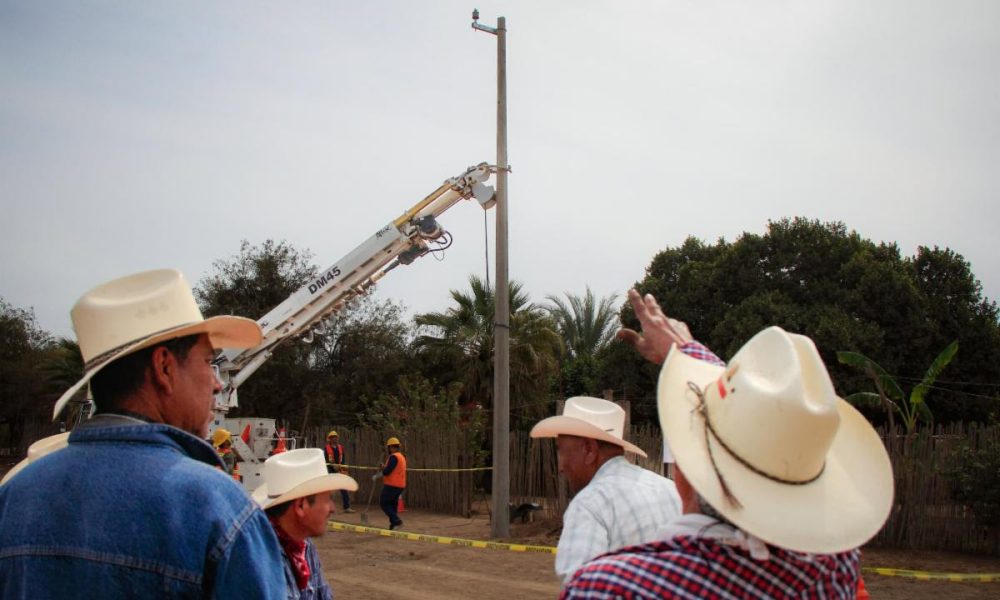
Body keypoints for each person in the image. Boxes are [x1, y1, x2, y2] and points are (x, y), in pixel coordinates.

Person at [562, 289, 894, 598]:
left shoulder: (607, 587)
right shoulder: (835, 570)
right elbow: (764, 422)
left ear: (684, 474)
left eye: (563, 450)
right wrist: (688, 353)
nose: (561, 463)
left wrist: (686, 356)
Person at [0, 269, 286, 598]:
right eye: (208, 362)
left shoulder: (13, 497)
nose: (217, 383)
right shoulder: (219, 509)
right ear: (164, 367)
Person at [530, 396, 683, 584]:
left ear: (589, 450)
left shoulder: (589, 504)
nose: (561, 466)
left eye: (562, 451)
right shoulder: (672, 490)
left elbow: (580, 588)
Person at [253, 447, 358, 600]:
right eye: (328, 499)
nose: (332, 508)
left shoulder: (303, 544)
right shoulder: (259, 559)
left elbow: (322, 593)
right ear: (301, 505)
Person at [372, 436, 406, 530]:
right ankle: (393, 525)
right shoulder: (401, 457)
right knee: (392, 504)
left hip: (392, 485)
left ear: (391, 447)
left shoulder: (394, 457)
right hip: (400, 485)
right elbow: (392, 469)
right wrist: (384, 467)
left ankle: (397, 521)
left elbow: (387, 472)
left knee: (384, 503)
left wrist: (377, 476)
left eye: (389, 447)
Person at [324, 430, 354, 513]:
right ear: (329, 439)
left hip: (340, 470)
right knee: (329, 490)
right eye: (333, 437)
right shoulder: (326, 449)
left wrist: (343, 466)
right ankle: (326, 507)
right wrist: (332, 466)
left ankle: (347, 507)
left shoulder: (341, 447)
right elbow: (325, 460)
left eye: (336, 437)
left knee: (344, 489)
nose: (335, 439)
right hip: (330, 471)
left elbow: (342, 458)